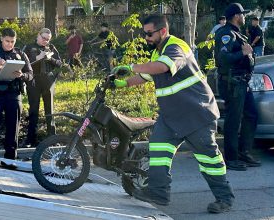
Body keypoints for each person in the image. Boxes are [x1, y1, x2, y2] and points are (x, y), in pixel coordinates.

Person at [111, 15, 235, 214]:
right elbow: (146, 75)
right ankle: (159, 192)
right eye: (144, 34)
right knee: (158, 150)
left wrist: (131, 66)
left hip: (196, 114)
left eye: (149, 34)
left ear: (162, 31)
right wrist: (122, 83)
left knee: (208, 159)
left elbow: (163, 67)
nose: (146, 38)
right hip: (172, 117)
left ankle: (224, 198)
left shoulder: (176, 47)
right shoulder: (159, 52)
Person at [214, 3, 261, 171]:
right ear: (236, 16)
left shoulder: (236, 33)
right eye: (242, 14)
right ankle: (231, 159)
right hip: (232, 82)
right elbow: (223, 58)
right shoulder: (226, 34)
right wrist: (243, 52)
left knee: (251, 115)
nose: (244, 16)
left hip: (242, 82)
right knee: (233, 120)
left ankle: (244, 152)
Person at [0, 28, 33, 159]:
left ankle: (10, 159)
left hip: (13, 94)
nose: (10, 44)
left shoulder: (20, 54)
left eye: (12, 41)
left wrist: (22, 75)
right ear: (1, 38)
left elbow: (31, 75)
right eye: (7, 41)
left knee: (13, 128)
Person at [22, 28, 63, 148]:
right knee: (33, 110)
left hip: (48, 81)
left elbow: (60, 64)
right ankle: (30, 140)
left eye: (48, 39)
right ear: (38, 35)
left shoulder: (51, 48)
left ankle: (52, 138)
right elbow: (23, 65)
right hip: (34, 81)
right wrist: (37, 58)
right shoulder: (29, 47)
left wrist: (51, 59)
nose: (45, 41)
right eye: (43, 38)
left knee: (50, 111)